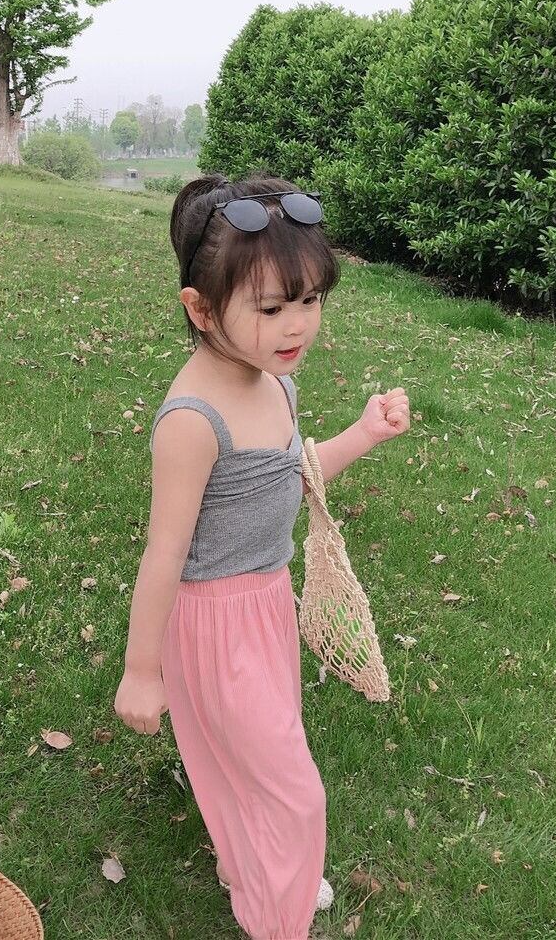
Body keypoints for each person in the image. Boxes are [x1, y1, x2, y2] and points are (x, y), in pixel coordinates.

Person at [114, 173, 410, 939]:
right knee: (293, 792)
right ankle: (278, 918)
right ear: (201, 309)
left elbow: (290, 474)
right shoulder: (192, 420)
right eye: (272, 308)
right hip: (214, 626)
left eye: (310, 299)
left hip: (269, 607)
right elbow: (163, 554)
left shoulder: (276, 383)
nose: (297, 325)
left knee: (253, 763)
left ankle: (253, 866)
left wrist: (363, 435)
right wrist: (142, 671)